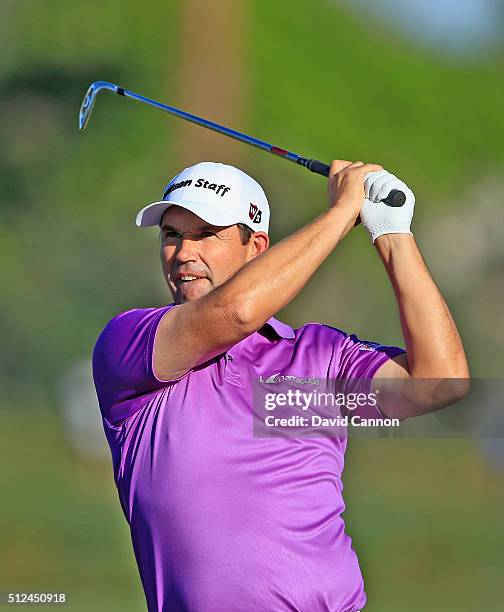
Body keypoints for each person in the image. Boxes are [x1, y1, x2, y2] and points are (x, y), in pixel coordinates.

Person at [92, 160, 469, 612]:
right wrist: (341, 212)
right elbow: (234, 313)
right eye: (172, 235)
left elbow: (440, 383)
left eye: (206, 234)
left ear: (256, 247)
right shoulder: (132, 346)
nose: (184, 253)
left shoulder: (316, 358)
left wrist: (391, 235)